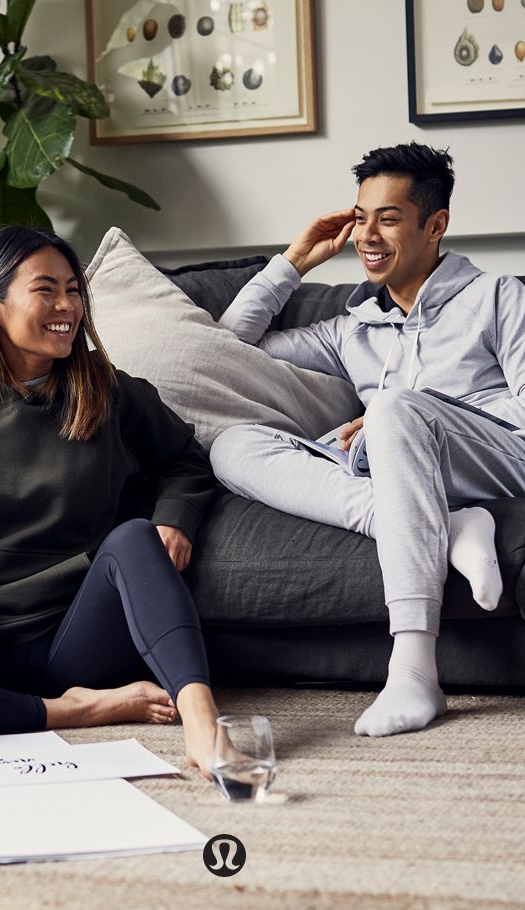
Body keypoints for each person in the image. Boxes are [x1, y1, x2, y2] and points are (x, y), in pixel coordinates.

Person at [210, 142, 525, 738]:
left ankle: (412, 670)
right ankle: (451, 525)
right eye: (360, 217)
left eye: (388, 218)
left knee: (394, 410)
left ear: (436, 225)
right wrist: (294, 263)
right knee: (233, 446)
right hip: (389, 471)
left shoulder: (498, 296)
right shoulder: (351, 331)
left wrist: (402, 415)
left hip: (498, 460)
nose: (367, 235)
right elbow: (228, 352)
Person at [0, 225, 219, 776]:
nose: (68, 306)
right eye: (46, 290)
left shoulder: (106, 391)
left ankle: (201, 720)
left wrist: (174, 519)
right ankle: (74, 712)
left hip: (78, 635)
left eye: (74, 290)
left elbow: (186, 458)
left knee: (132, 537)